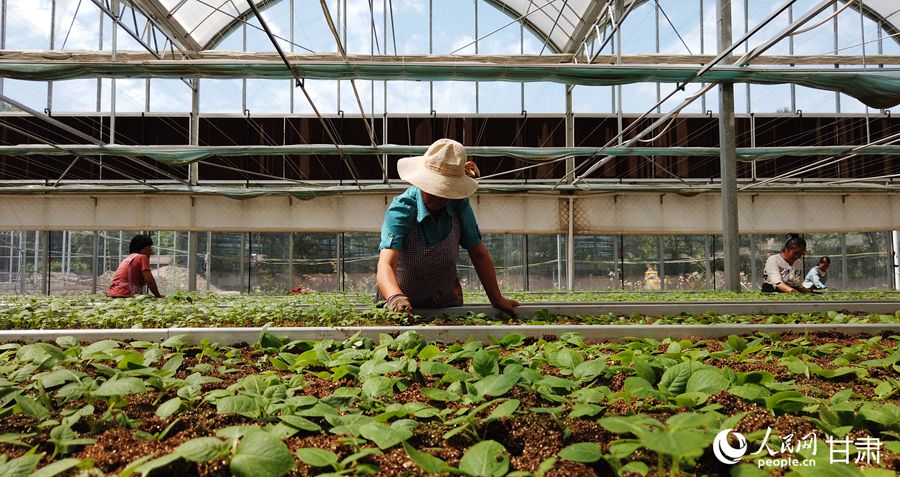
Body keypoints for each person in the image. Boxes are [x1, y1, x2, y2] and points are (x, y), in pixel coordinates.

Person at [376, 138, 519, 314]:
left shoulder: (459, 205)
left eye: (446, 190)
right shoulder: (401, 209)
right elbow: (386, 264)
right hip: (397, 303)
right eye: (433, 188)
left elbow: (478, 253)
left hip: (444, 301)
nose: (438, 196)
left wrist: (497, 298)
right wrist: (396, 298)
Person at [107, 234, 164, 298]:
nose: (151, 250)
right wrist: (158, 296)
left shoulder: (129, 258)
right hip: (124, 294)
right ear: (141, 249)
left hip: (113, 293)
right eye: (149, 247)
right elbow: (149, 281)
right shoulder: (142, 257)